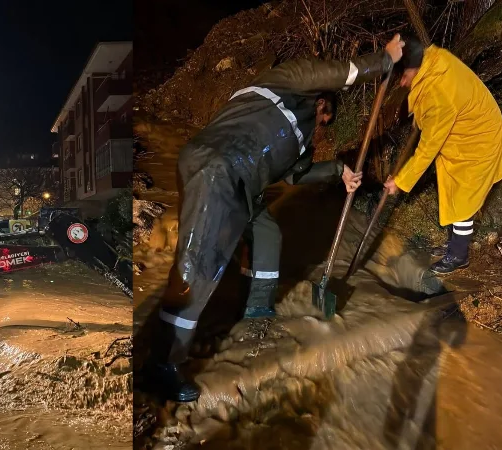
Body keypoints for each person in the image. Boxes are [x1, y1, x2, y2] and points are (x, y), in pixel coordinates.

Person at [144, 36, 406, 402]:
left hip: (243, 184)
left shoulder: (301, 138)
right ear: (320, 100)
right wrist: (382, 61)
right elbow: (334, 73)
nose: (323, 124)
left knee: (267, 231)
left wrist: (340, 170)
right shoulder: (279, 84)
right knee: (199, 264)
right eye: (324, 116)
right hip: (216, 166)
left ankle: (256, 306)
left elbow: (297, 175)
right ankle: (163, 364)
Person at [384, 35, 502, 275]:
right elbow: (427, 99)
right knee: (451, 191)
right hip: (465, 134)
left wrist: (400, 181)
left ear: (415, 69)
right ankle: (453, 245)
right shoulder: (433, 59)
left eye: (404, 76)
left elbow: (427, 149)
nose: (401, 83)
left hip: (480, 142)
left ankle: (458, 256)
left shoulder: (438, 96)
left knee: (462, 201)